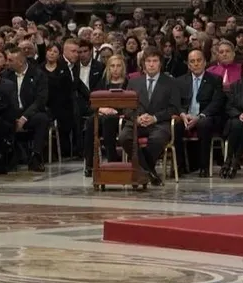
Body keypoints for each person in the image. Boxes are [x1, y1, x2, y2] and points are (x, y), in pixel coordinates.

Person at [118, 48, 181, 186]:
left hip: (159, 123)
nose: (151, 64)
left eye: (155, 61)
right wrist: (137, 118)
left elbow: (174, 108)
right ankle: (150, 172)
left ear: (160, 64)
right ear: (143, 64)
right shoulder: (133, 82)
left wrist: (154, 118)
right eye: (148, 61)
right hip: (137, 122)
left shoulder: (171, 82)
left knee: (157, 139)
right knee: (124, 137)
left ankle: (141, 171)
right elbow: (126, 107)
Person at [173, 49, 225, 176]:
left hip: (206, 116)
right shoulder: (180, 81)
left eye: (199, 60)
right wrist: (182, 114)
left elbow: (217, 102)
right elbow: (176, 102)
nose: (196, 64)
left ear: (205, 62)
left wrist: (199, 116)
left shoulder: (215, 80)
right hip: (186, 116)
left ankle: (204, 167)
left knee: (204, 124)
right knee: (175, 125)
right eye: (192, 61)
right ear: (188, 65)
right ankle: (179, 166)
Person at [84, 54, 130, 177]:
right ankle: (90, 164)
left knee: (108, 121)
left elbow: (131, 104)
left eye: (118, 66)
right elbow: (92, 102)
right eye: (112, 66)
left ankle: (112, 161)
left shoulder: (128, 83)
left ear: (123, 68)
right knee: (90, 122)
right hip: (104, 115)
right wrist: (102, 109)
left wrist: (116, 111)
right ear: (108, 68)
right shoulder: (103, 82)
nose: (115, 69)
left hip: (121, 118)